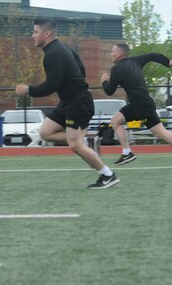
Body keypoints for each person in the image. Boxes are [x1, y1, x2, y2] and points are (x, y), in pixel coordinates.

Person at [15, 18, 119, 189]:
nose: (32, 36)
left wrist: (27, 90)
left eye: (35, 32)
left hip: (77, 102)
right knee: (45, 132)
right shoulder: (61, 48)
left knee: (74, 144)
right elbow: (81, 69)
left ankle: (108, 175)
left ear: (46, 34)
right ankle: (87, 142)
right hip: (70, 100)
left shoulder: (54, 54)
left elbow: (51, 86)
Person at [101, 43, 172, 171]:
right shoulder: (136, 61)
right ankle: (127, 153)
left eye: (112, 51)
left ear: (119, 54)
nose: (111, 54)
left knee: (160, 132)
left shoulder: (116, 69)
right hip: (137, 104)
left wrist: (104, 81)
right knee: (115, 121)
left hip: (142, 105)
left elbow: (109, 91)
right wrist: (168, 62)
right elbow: (153, 56)